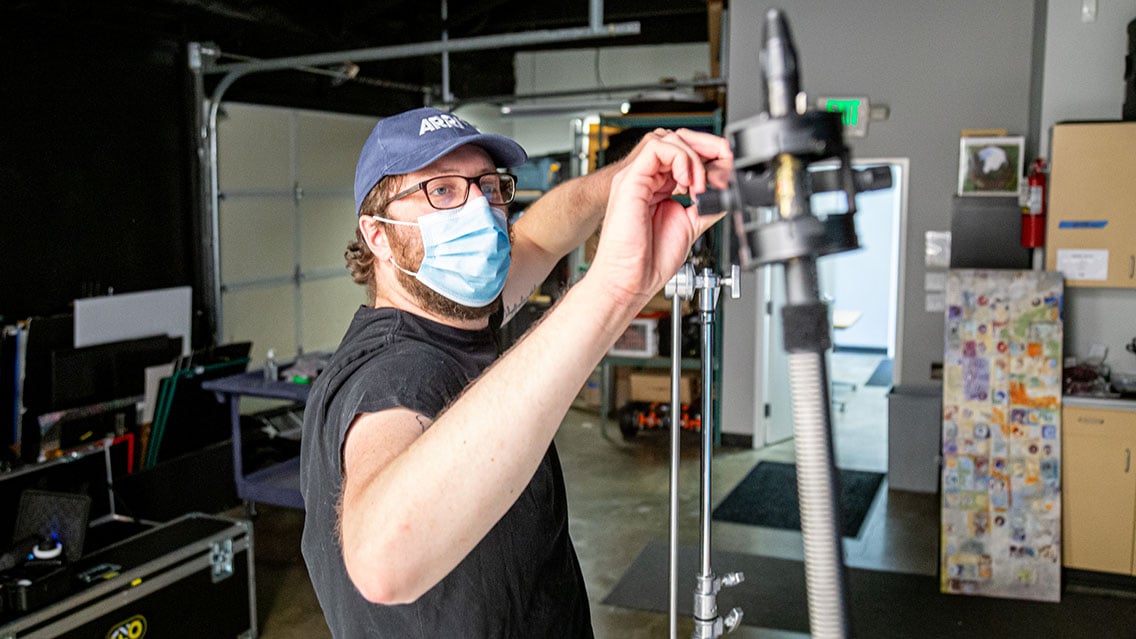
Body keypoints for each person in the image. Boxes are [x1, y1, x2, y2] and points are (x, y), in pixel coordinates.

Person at [299, 106, 731, 637]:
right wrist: (617, 289)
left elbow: (544, 235)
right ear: (379, 236)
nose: (480, 209)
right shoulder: (395, 374)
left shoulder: (454, 312)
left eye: (488, 185)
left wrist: (627, 175)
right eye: (443, 191)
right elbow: (382, 560)